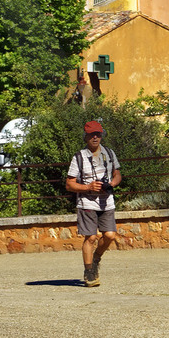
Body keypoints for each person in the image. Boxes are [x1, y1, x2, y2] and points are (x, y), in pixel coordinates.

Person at [66, 121, 121, 287]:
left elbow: (117, 174)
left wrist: (112, 183)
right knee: (90, 237)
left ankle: (96, 257)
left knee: (110, 235)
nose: (95, 137)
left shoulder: (109, 154)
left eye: (98, 134)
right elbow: (69, 184)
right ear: (86, 137)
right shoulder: (79, 157)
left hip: (106, 201)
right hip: (87, 202)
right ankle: (89, 271)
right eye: (91, 135)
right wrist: (88, 187)